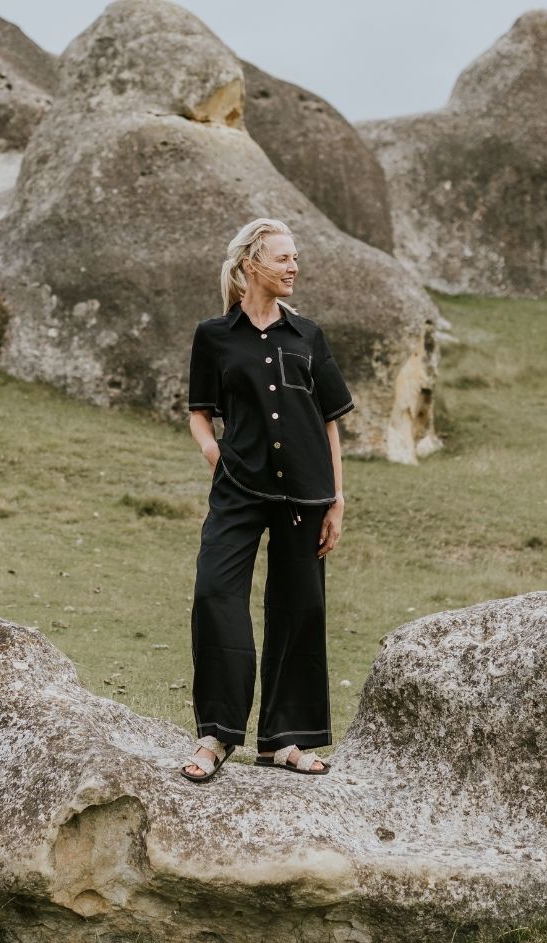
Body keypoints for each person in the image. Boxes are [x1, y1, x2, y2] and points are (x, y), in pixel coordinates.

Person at [180, 218, 353, 783]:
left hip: (307, 489)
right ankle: (217, 734)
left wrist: (337, 500)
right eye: (283, 258)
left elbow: (330, 423)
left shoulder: (308, 336)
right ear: (251, 264)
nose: (294, 267)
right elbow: (199, 411)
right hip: (238, 484)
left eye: (295, 257)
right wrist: (213, 454)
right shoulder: (214, 336)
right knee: (214, 592)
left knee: (300, 607)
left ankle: (285, 740)